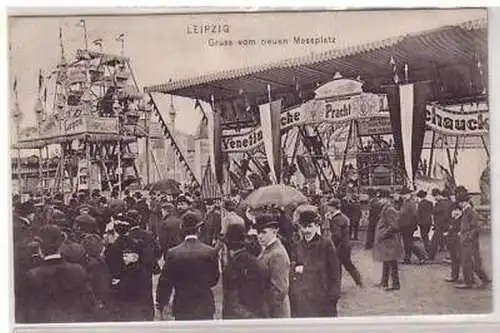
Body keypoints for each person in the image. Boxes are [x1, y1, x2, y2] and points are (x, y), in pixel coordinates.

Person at [25, 225, 97, 323]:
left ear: (40, 248)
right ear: (60, 245)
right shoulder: (78, 270)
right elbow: (90, 304)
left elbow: (31, 313)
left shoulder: (33, 275)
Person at [156, 211, 220, 320]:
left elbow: (165, 282)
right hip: (204, 304)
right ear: (199, 229)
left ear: (182, 229)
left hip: (182, 303)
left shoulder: (173, 253)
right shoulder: (210, 252)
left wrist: (161, 302)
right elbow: (214, 279)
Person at [290, 209, 341, 317]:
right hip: (303, 300)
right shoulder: (298, 245)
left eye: (309, 226)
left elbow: (335, 273)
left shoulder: (326, 244)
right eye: (303, 227)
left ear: (316, 226)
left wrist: (333, 298)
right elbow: (294, 270)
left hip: (322, 299)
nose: (306, 230)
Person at [105, 213, 152, 321]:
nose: (106, 236)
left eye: (108, 233)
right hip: (139, 297)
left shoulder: (112, 249)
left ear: (114, 234)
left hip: (123, 297)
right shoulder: (135, 243)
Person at [222, 223, 267, 319]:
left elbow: (231, 301)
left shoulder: (231, 266)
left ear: (228, 247)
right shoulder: (257, 262)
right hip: (257, 316)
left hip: (238, 319)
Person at [454, 186, 491, 289]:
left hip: (468, 241)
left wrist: (467, 237)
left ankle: (469, 282)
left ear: (463, 202)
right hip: (466, 239)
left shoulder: (470, 211)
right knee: (470, 261)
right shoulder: (467, 211)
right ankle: (483, 278)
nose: (460, 205)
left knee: (467, 261)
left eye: (460, 203)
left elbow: (476, 227)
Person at [254, 212, 291, 318]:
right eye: (258, 232)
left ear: (275, 231)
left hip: (275, 312)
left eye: (263, 232)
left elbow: (278, 291)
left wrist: (261, 307)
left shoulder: (277, 254)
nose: (259, 236)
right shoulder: (268, 249)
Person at [325, 198, 363, 287]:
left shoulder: (336, 219)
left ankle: (336, 286)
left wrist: (331, 244)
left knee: (337, 267)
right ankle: (359, 281)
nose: (328, 208)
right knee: (348, 264)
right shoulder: (342, 217)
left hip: (339, 247)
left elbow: (337, 236)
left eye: (329, 206)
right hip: (346, 245)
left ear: (333, 208)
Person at [373, 189, 403, 291]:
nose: (379, 200)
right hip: (388, 241)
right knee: (387, 260)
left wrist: (383, 235)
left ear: (386, 199)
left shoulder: (389, 210)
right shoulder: (386, 208)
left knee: (392, 262)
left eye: (381, 198)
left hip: (389, 240)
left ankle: (395, 284)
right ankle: (384, 281)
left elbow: (394, 226)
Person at [398, 187, 428, 264]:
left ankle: (421, 256)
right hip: (404, 226)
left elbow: (415, 215)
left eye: (405, 194)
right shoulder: (405, 202)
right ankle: (407, 258)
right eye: (402, 195)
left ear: (409, 194)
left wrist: (414, 225)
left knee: (409, 243)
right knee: (406, 243)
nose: (403, 196)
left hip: (409, 226)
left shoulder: (411, 203)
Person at [429, 188, 452, 260]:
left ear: (439, 195)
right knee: (448, 241)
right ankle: (452, 255)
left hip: (441, 225)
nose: (434, 198)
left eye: (434, 196)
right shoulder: (449, 202)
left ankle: (431, 256)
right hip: (446, 224)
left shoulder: (441, 203)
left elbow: (440, 214)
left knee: (434, 241)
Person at [416, 190, 433, 255]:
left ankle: (428, 250)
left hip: (422, 222)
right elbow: (432, 212)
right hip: (428, 221)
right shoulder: (430, 203)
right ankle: (429, 249)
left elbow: (418, 214)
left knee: (424, 237)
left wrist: (418, 222)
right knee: (426, 235)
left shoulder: (420, 204)